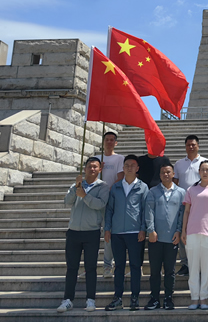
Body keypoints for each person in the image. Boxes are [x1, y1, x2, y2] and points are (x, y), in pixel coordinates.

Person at [57, 156, 110, 313]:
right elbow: (67, 201)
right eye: (89, 166)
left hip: (91, 232)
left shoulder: (103, 187)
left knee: (91, 267)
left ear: (100, 169)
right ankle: (67, 299)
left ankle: (91, 299)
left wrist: (85, 196)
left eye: (95, 167)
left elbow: (101, 204)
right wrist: (76, 188)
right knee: (72, 267)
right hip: (73, 231)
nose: (92, 169)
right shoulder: (77, 184)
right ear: (85, 168)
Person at [104, 154, 149, 311]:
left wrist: (143, 228)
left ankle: (134, 298)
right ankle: (118, 298)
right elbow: (109, 209)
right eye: (127, 165)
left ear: (137, 168)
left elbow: (145, 210)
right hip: (117, 233)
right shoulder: (116, 187)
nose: (130, 168)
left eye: (133, 165)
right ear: (123, 168)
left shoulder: (143, 187)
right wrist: (107, 228)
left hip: (135, 232)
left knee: (136, 266)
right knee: (119, 267)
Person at [143, 157, 185, 311]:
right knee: (155, 271)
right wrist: (151, 230)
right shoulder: (153, 191)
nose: (166, 175)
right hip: (156, 238)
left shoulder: (181, 192)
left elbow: (182, 214)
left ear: (173, 173)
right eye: (163, 173)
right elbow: (149, 212)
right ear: (159, 175)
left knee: (170, 271)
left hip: (172, 238)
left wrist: (179, 231)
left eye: (168, 172)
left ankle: (168, 298)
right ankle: (154, 298)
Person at [182, 160, 208, 310]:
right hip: (192, 231)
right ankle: (194, 298)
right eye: (202, 170)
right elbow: (186, 211)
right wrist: (183, 230)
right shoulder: (191, 190)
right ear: (198, 172)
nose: (205, 172)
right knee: (193, 267)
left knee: (207, 268)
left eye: (207, 170)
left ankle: (204, 298)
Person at [173, 134, 206, 276]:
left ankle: (199, 264)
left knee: (200, 235)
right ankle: (185, 263)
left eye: (193, 144)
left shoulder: (205, 162)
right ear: (185, 146)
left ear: (198, 146)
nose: (191, 147)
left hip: (201, 204)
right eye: (188, 145)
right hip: (184, 204)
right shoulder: (179, 164)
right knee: (183, 234)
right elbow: (174, 183)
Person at [96, 132, 124, 278]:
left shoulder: (119, 158)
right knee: (93, 235)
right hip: (95, 201)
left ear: (116, 143)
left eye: (112, 140)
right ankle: (90, 266)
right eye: (106, 140)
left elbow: (120, 178)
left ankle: (108, 266)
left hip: (111, 201)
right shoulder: (96, 159)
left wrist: (106, 193)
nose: (109, 142)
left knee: (108, 234)